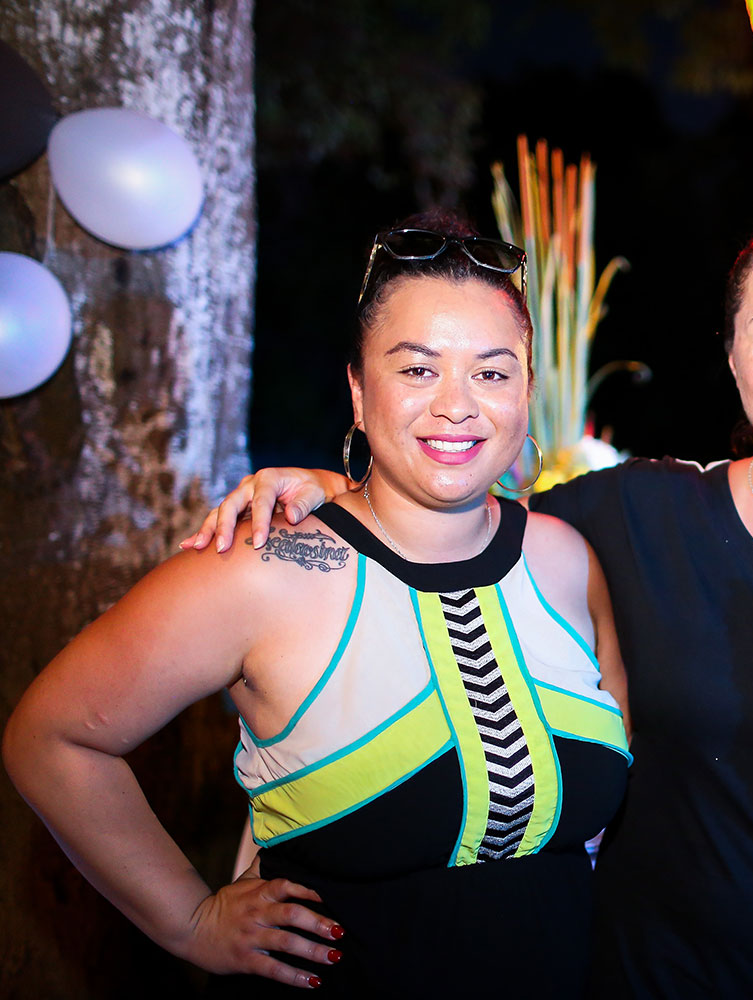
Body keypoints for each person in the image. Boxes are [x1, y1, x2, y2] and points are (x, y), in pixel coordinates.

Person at [184, 199, 753, 998]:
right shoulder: (636, 514)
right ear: (733, 358)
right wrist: (336, 492)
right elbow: (448, 509)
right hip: (650, 980)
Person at [3, 211, 631, 995]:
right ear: (359, 392)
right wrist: (189, 921)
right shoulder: (261, 568)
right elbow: (53, 737)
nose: (457, 405)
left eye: (493, 373)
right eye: (418, 369)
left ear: (527, 390)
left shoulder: (566, 560)